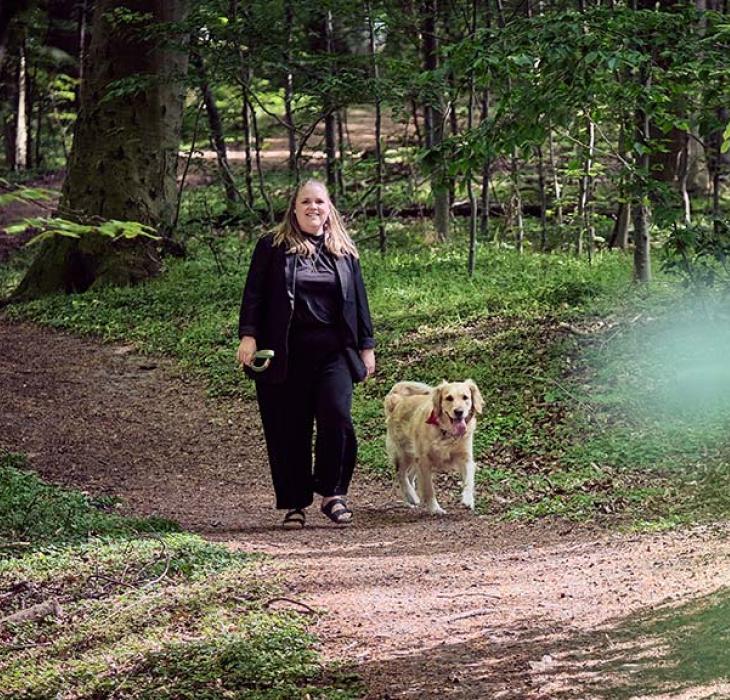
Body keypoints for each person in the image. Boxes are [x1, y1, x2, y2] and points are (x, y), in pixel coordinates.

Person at [236, 179, 376, 529]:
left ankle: (333, 493)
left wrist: (367, 346)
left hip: (335, 353)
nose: (313, 207)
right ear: (294, 208)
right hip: (284, 352)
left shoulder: (343, 249)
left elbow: (359, 300)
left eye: (319, 202)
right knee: (288, 427)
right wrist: (248, 336)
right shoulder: (272, 245)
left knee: (337, 416)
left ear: (329, 208)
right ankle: (295, 501)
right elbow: (254, 293)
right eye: (305, 202)